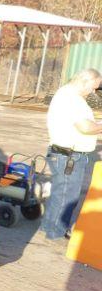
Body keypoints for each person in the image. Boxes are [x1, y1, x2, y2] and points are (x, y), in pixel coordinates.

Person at [41, 68, 102, 240]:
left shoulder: (66, 93)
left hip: (64, 154)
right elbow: (85, 127)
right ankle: (56, 232)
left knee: (60, 192)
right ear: (85, 81)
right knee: (68, 195)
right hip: (69, 156)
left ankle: (49, 226)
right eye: (93, 87)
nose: (94, 91)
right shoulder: (72, 99)